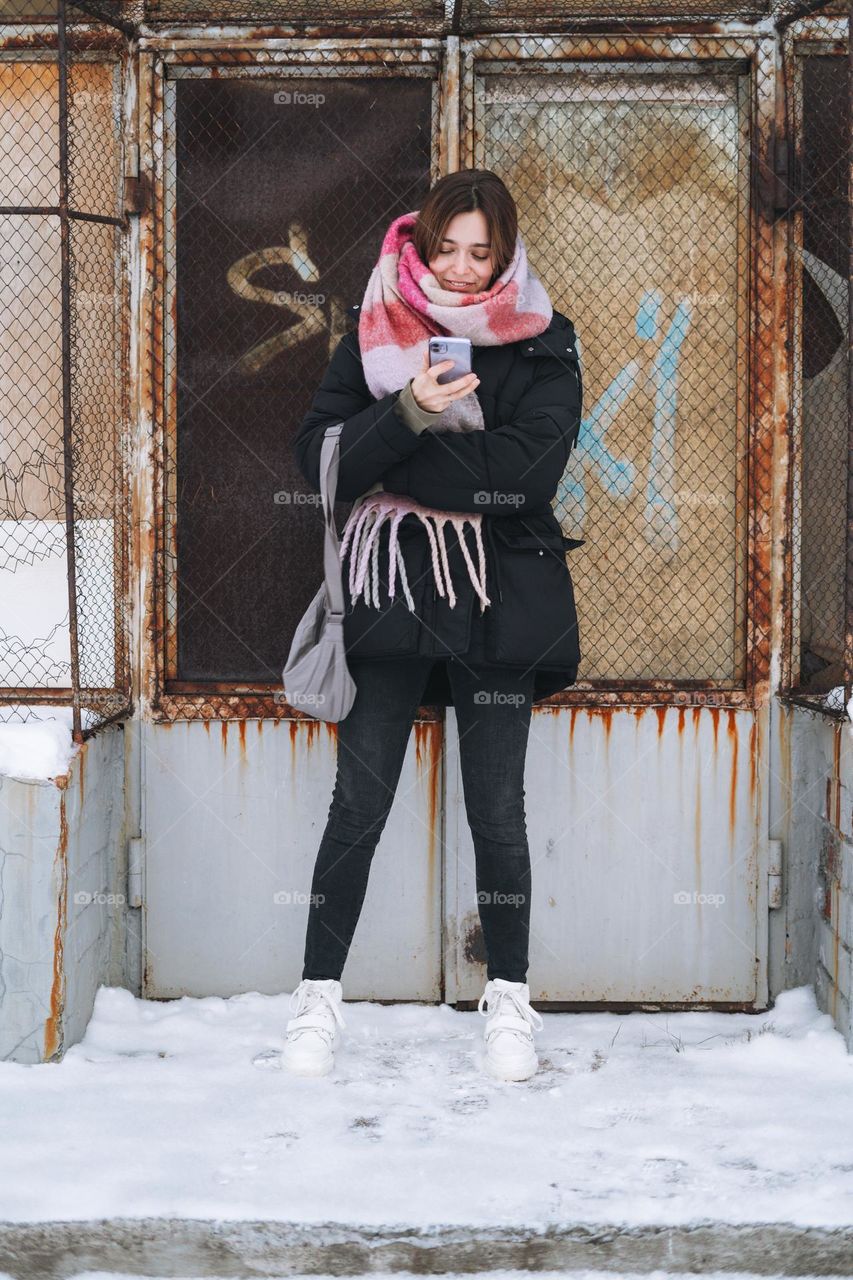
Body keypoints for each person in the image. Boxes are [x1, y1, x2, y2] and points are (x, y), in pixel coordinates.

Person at [286, 169, 583, 1081]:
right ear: (419, 249)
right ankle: (316, 1002)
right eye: (444, 248)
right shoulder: (376, 328)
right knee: (358, 803)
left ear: (504, 253)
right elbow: (322, 459)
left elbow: (525, 475)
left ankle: (509, 1004)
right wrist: (411, 410)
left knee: (496, 810)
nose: (459, 268)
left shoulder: (541, 340)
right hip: (395, 596)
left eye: (479, 251)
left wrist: (398, 462)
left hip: (496, 604)